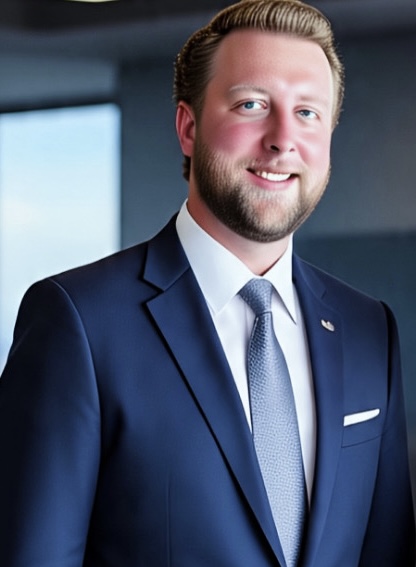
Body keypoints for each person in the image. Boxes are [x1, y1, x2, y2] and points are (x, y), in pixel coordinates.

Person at [0, 0, 414, 565]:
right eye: (252, 104)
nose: (282, 139)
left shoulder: (369, 330)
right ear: (188, 127)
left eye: (308, 112)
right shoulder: (79, 323)